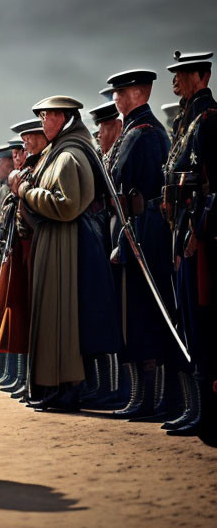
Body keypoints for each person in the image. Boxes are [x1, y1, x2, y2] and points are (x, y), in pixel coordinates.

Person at [17, 96, 121, 410]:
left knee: (65, 322)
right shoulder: (57, 153)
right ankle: (57, 388)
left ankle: (69, 389)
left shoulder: (70, 154)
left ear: (64, 117)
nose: (43, 121)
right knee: (55, 320)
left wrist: (25, 192)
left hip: (67, 244)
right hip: (56, 243)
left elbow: (66, 205)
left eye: (47, 115)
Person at [101, 69, 173, 419]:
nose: (115, 97)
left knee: (142, 317)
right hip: (136, 230)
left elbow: (136, 193)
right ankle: (144, 397)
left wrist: (123, 241)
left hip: (142, 233)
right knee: (134, 316)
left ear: (138, 93)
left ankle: (148, 398)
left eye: (121, 92)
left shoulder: (144, 133)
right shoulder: (135, 130)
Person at [162, 50, 216, 442]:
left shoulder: (210, 120)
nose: (175, 80)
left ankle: (207, 416)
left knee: (202, 327)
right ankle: (194, 410)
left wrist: (198, 230)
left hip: (201, 240)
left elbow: (213, 188)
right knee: (188, 325)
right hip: (182, 235)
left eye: (181, 73)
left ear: (202, 76)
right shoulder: (188, 120)